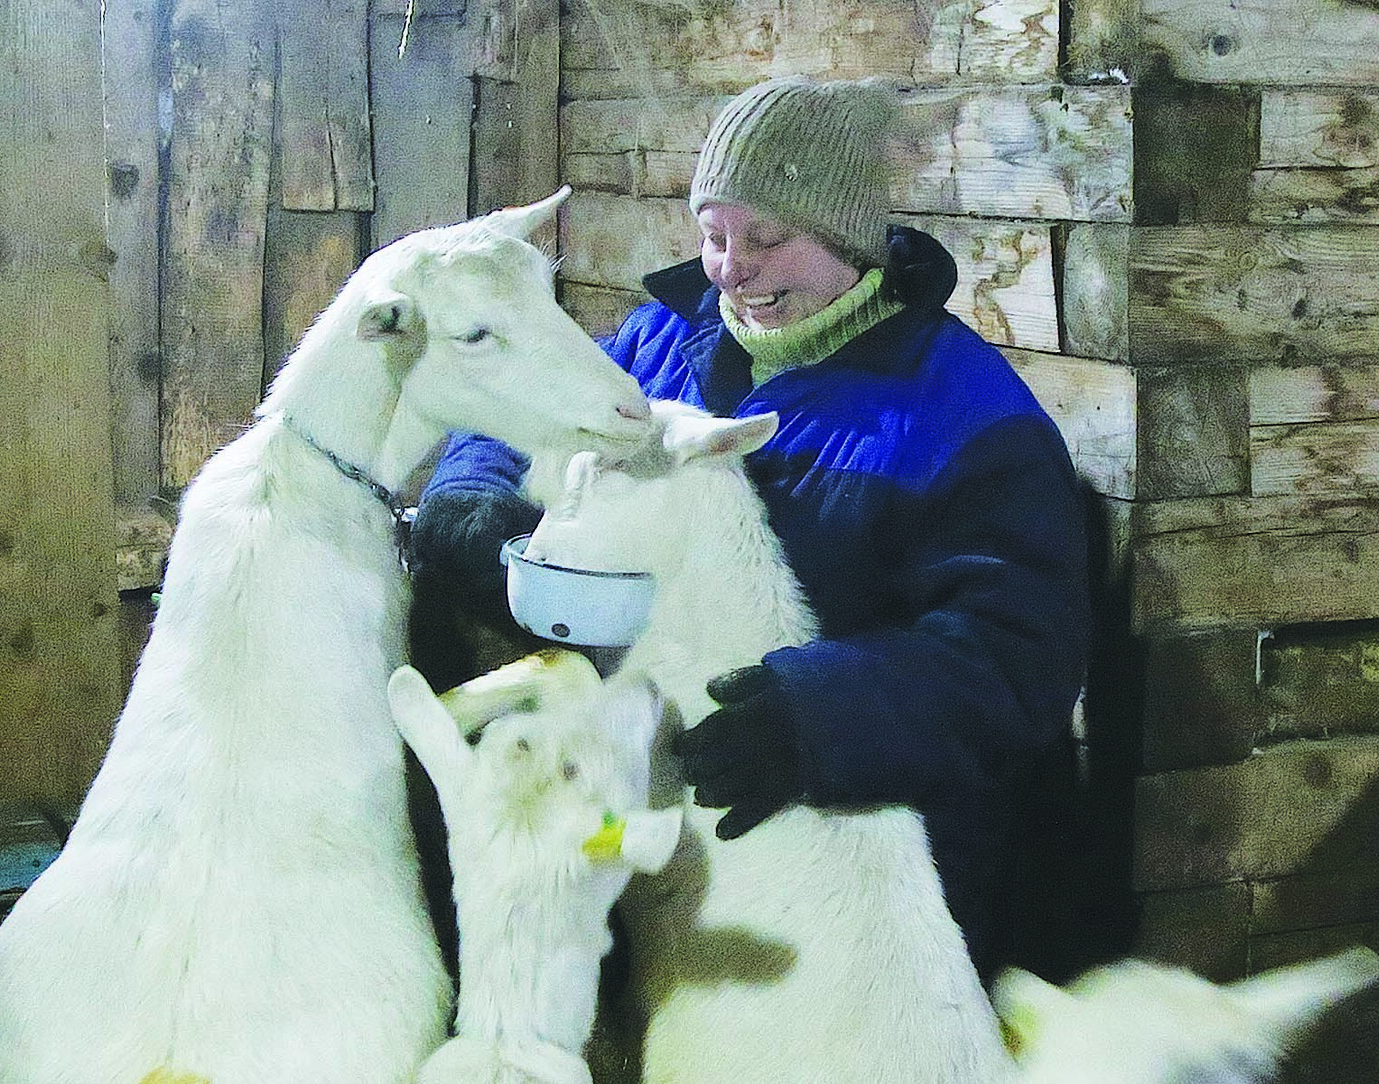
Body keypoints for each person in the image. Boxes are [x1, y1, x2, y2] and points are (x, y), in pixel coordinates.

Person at [408, 75, 1092, 983]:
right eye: (713, 234)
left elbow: (1017, 654)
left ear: (849, 239)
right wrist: (473, 508)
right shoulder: (661, 341)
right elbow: (508, 423)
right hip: (662, 810)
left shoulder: (963, 417)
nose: (731, 268)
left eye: (767, 238)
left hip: (855, 858)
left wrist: (818, 713)